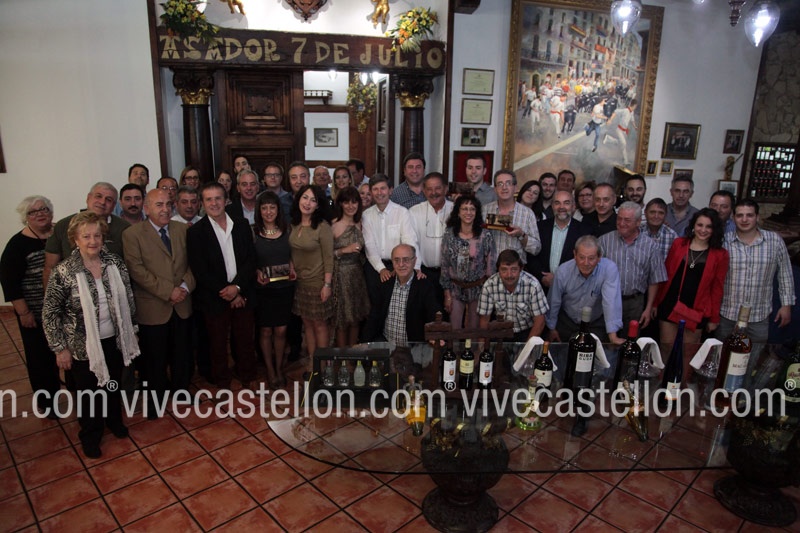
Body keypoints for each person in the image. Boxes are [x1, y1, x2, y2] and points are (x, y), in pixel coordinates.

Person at [43, 212, 139, 458]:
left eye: (97, 235)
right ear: (75, 239)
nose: (93, 241)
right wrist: (60, 349)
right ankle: (91, 434)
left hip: (114, 340)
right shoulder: (64, 271)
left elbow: (128, 298)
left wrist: (132, 331)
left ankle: (113, 420)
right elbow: (50, 313)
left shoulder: (114, 263)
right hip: (82, 346)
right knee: (89, 393)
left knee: (113, 384)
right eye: (86, 236)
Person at [122, 189, 195, 416]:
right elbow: (136, 270)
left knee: (182, 353)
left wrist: (184, 287)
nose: (165, 209)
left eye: (168, 204)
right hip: (153, 307)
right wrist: (168, 291)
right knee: (155, 358)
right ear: (146, 208)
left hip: (182, 304)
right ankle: (156, 399)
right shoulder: (132, 234)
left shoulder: (183, 229)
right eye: (159, 205)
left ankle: (181, 391)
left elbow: (194, 263)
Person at [187, 182, 257, 390]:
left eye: (218, 198)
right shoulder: (196, 232)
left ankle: (247, 375)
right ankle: (222, 381)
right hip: (213, 297)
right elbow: (200, 269)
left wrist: (237, 288)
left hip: (242, 293)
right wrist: (227, 291)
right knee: (216, 343)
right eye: (208, 199)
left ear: (226, 200)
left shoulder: (242, 224)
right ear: (202, 203)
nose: (214, 203)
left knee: (245, 339)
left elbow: (250, 260)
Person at [0, 196, 60, 416]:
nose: (40, 214)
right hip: (35, 311)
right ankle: (47, 403)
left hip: (62, 310)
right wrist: (23, 312)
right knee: (40, 358)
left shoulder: (60, 234)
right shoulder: (17, 245)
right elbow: (9, 282)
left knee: (65, 352)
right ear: (25, 217)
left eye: (44, 209)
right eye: (33, 212)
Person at [719, 199, 795, 344]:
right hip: (728, 314)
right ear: (733, 218)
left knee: (753, 355)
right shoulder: (724, 242)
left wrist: (786, 305)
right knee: (724, 355)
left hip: (759, 315)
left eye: (749, 215)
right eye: (740, 215)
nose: (744, 219)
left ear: (757, 217)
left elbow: (785, 274)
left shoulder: (774, 241)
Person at [654, 208, 729, 346]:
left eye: (709, 226)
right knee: (666, 348)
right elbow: (665, 275)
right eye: (700, 225)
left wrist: (714, 318)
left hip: (696, 310)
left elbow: (717, 288)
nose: (703, 230)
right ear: (693, 225)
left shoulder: (720, 254)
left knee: (688, 352)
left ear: (714, 229)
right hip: (670, 304)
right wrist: (655, 303)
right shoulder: (679, 244)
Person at [44, 182, 130, 289]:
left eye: (108, 200)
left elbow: (130, 268)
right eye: (98, 196)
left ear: (113, 206)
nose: (102, 202)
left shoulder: (124, 228)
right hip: (71, 291)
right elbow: (50, 267)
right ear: (88, 198)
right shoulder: (63, 225)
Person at [599, 201, 667, 331]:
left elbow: (654, 281)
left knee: (630, 339)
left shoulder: (650, 246)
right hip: (608, 300)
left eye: (627, 220)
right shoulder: (604, 241)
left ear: (638, 222)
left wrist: (648, 308)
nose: (621, 223)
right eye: (619, 219)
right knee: (606, 339)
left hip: (635, 303)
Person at [547, 235, 624, 344]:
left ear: (599, 257)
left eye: (591, 258)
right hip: (567, 321)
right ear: (575, 255)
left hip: (595, 323)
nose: (586, 263)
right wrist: (551, 328)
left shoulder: (609, 269)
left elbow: (610, 302)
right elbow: (554, 301)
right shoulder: (563, 271)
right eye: (582, 257)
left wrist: (613, 336)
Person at [253, 192, 295, 388]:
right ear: (259, 210)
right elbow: (248, 259)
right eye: (264, 208)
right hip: (263, 290)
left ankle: (279, 368)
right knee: (265, 331)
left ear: (278, 209)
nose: (268, 212)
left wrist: (292, 265)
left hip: (285, 288)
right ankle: (270, 370)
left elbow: (293, 255)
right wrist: (256, 271)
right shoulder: (252, 232)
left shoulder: (288, 230)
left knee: (281, 330)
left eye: (272, 207)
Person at [362, 244, 440, 345]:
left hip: (414, 347)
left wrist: (434, 338)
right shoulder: (385, 284)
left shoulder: (425, 286)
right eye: (397, 260)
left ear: (414, 261)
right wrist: (364, 344)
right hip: (386, 344)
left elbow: (433, 315)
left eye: (406, 260)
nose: (401, 264)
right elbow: (374, 316)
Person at [289, 185, 334, 356]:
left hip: (318, 284)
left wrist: (327, 285)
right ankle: (312, 362)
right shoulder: (293, 224)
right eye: (305, 197)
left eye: (313, 200)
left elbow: (329, 258)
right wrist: (291, 266)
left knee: (319, 325)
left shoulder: (323, 227)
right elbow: (291, 251)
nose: (307, 203)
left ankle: (323, 365)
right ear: (298, 199)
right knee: (307, 324)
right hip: (299, 283)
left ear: (318, 205)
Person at [362, 174, 420, 304]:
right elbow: (369, 245)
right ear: (371, 192)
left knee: (396, 303)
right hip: (375, 266)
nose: (379, 193)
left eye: (383, 188)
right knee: (375, 304)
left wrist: (401, 265)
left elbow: (409, 241)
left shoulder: (402, 212)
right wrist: (381, 269)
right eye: (375, 189)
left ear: (390, 190)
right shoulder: (366, 215)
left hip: (399, 264)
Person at [441, 196, 495, 330]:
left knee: (474, 331)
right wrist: (447, 294)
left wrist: (489, 292)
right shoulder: (449, 234)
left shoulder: (485, 235)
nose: (468, 212)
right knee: (454, 330)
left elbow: (491, 266)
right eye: (464, 209)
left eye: (472, 209)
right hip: (455, 289)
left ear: (476, 213)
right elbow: (445, 264)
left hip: (478, 289)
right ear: (458, 212)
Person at [477, 249, 548, 342]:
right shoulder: (489, 285)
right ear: (498, 270)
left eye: (514, 269)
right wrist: (483, 347)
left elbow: (540, 321)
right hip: (499, 333)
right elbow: (484, 321)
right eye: (504, 270)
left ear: (521, 269)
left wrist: (527, 347)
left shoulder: (533, 285)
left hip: (526, 333)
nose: (509, 275)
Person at [527, 190, 590, 291]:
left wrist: (559, 279)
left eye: (566, 203)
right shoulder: (540, 227)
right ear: (552, 206)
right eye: (557, 203)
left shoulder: (584, 231)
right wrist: (542, 277)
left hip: (571, 289)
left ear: (573, 206)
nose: (561, 207)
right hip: (542, 287)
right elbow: (531, 255)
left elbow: (585, 262)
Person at [331, 186, 370, 347]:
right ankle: (343, 357)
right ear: (340, 204)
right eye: (346, 202)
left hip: (357, 275)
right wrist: (343, 250)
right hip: (340, 275)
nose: (350, 206)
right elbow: (326, 255)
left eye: (354, 202)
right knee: (342, 319)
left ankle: (353, 355)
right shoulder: (334, 225)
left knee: (355, 317)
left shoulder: (362, 223)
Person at [409, 172, 453, 302]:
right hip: (423, 273)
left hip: (450, 275)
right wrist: (416, 268)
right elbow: (412, 242)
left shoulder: (455, 210)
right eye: (429, 189)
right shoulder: (414, 212)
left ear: (445, 188)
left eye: (438, 188)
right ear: (424, 191)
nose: (434, 193)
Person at [482, 169, 541, 266]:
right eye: (500, 184)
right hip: (489, 269)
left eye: (508, 183)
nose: (504, 187)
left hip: (516, 270)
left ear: (515, 188)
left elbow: (536, 249)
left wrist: (521, 235)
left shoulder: (527, 213)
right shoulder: (484, 210)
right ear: (495, 189)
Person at [603, 99, 638, 166]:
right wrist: (610, 120)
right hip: (619, 130)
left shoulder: (632, 112)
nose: (635, 108)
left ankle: (608, 138)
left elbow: (632, 120)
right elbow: (615, 112)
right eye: (635, 106)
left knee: (622, 144)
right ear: (634, 105)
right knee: (623, 143)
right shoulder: (625, 110)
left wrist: (635, 127)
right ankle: (625, 161)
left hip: (625, 132)